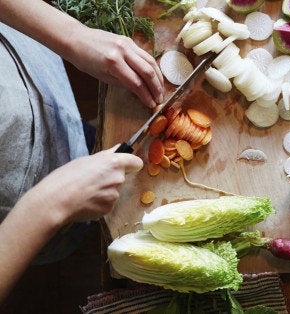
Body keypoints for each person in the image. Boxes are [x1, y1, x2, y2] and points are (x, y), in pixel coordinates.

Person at [0, 0, 165, 301]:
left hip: (19, 58)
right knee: (81, 227)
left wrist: (72, 35)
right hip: (20, 207)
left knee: (82, 134)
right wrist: (50, 205)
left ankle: (87, 137)